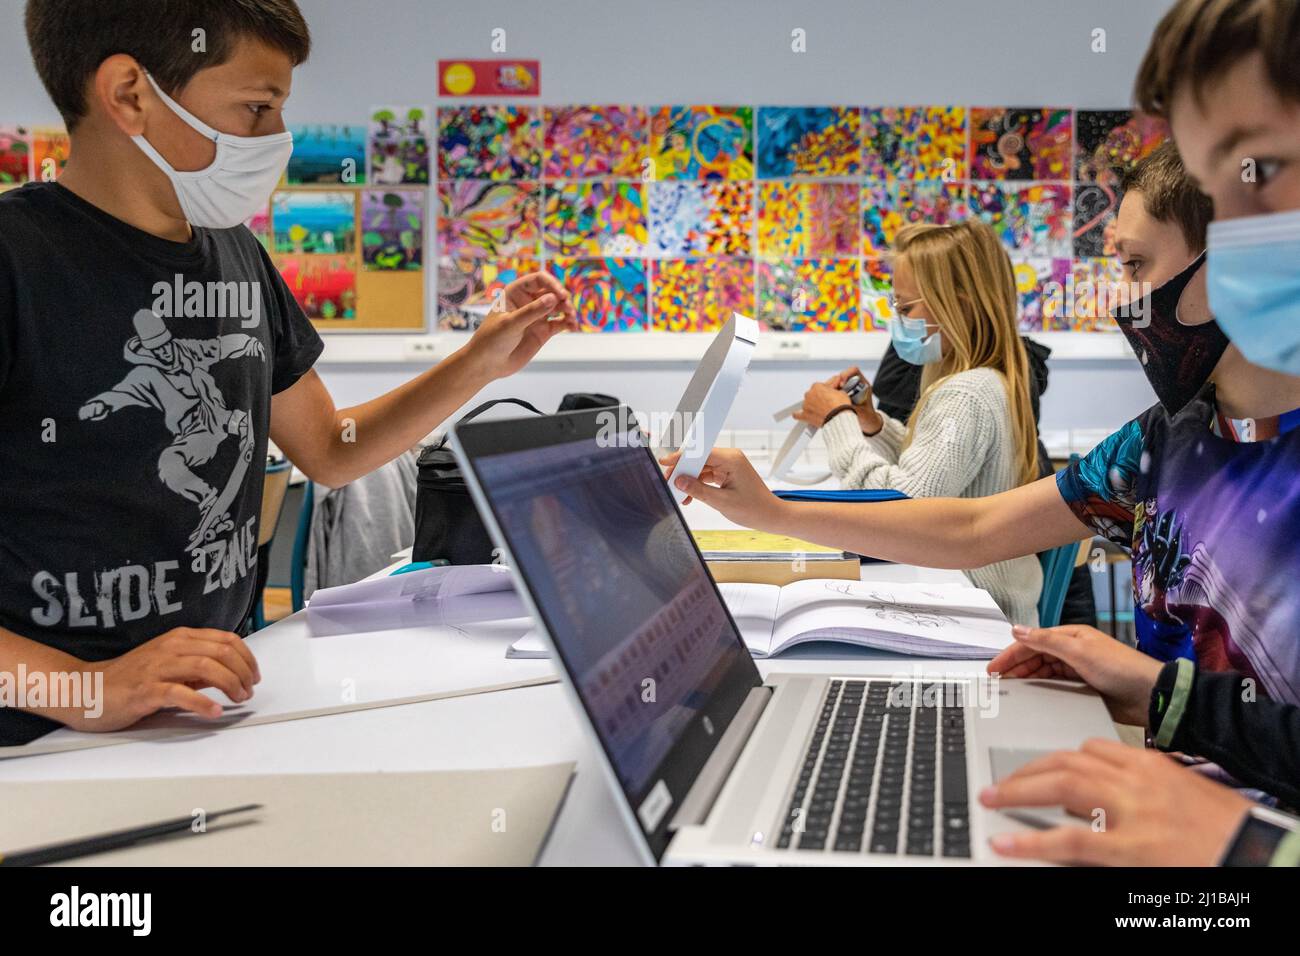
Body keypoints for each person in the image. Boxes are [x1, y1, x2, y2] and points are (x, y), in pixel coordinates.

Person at [666, 0, 1300, 865]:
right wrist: (772, 511)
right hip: (1173, 809)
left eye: (1258, 172)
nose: (1125, 300)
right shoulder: (1172, 438)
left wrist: (1245, 849)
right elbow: (973, 524)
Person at [0, 0, 578, 745]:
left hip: (205, 714)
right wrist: (82, 687)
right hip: (41, 744)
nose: (277, 139)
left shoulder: (235, 256)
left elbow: (332, 451)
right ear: (130, 95)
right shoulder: (19, 261)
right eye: (256, 108)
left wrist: (477, 365)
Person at [791, 220, 1045, 626]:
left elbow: (903, 507)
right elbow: (931, 471)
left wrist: (836, 420)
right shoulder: (983, 381)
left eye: (905, 308)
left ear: (959, 305)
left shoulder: (966, 395)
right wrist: (870, 421)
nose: (899, 320)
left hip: (983, 617)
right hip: (981, 603)